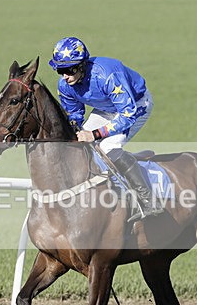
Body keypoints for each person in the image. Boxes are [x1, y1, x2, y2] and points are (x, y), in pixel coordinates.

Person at [49, 36, 163, 221]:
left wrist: (95, 134)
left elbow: (127, 114)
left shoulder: (106, 75)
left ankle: (148, 200)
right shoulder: (65, 86)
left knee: (108, 148)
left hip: (135, 106)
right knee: (79, 145)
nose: (65, 76)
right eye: (60, 70)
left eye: (69, 70)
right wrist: (76, 130)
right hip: (106, 108)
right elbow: (75, 115)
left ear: (81, 65)